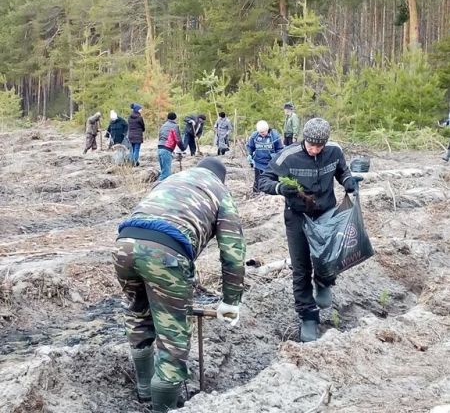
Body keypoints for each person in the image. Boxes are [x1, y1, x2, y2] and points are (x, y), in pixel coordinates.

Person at [113, 157, 246, 412]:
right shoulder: (219, 192)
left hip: (124, 245)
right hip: (165, 253)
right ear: (221, 178)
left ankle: (144, 390)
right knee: (172, 336)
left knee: (137, 315)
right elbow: (232, 253)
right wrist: (231, 300)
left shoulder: (170, 179)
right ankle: (163, 407)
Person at [259, 117, 358, 343]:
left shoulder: (334, 152)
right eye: (311, 145)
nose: (314, 150)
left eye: (319, 146)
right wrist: (279, 187)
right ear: (304, 140)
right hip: (298, 216)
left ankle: (323, 282)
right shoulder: (288, 156)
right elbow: (263, 180)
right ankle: (308, 317)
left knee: (329, 256)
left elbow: (343, 171)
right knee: (301, 266)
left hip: (325, 212)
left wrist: (348, 181)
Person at [246, 120, 283, 195]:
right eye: (260, 132)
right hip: (258, 163)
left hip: (270, 164)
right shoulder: (254, 136)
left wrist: (275, 156)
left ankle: (269, 195)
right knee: (258, 181)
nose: (261, 134)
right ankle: (256, 194)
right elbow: (250, 147)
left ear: (267, 130)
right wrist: (249, 154)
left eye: (263, 132)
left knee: (270, 180)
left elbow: (280, 150)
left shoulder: (275, 136)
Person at [157, 112, 186, 180]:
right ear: (175, 118)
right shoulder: (174, 126)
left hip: (160, 148)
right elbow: (178, 139)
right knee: (166, 174)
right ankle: (155, 187)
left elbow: (160, 137)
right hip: (166, 149)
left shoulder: (163, 125)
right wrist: (183, 148)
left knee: (163, 172)